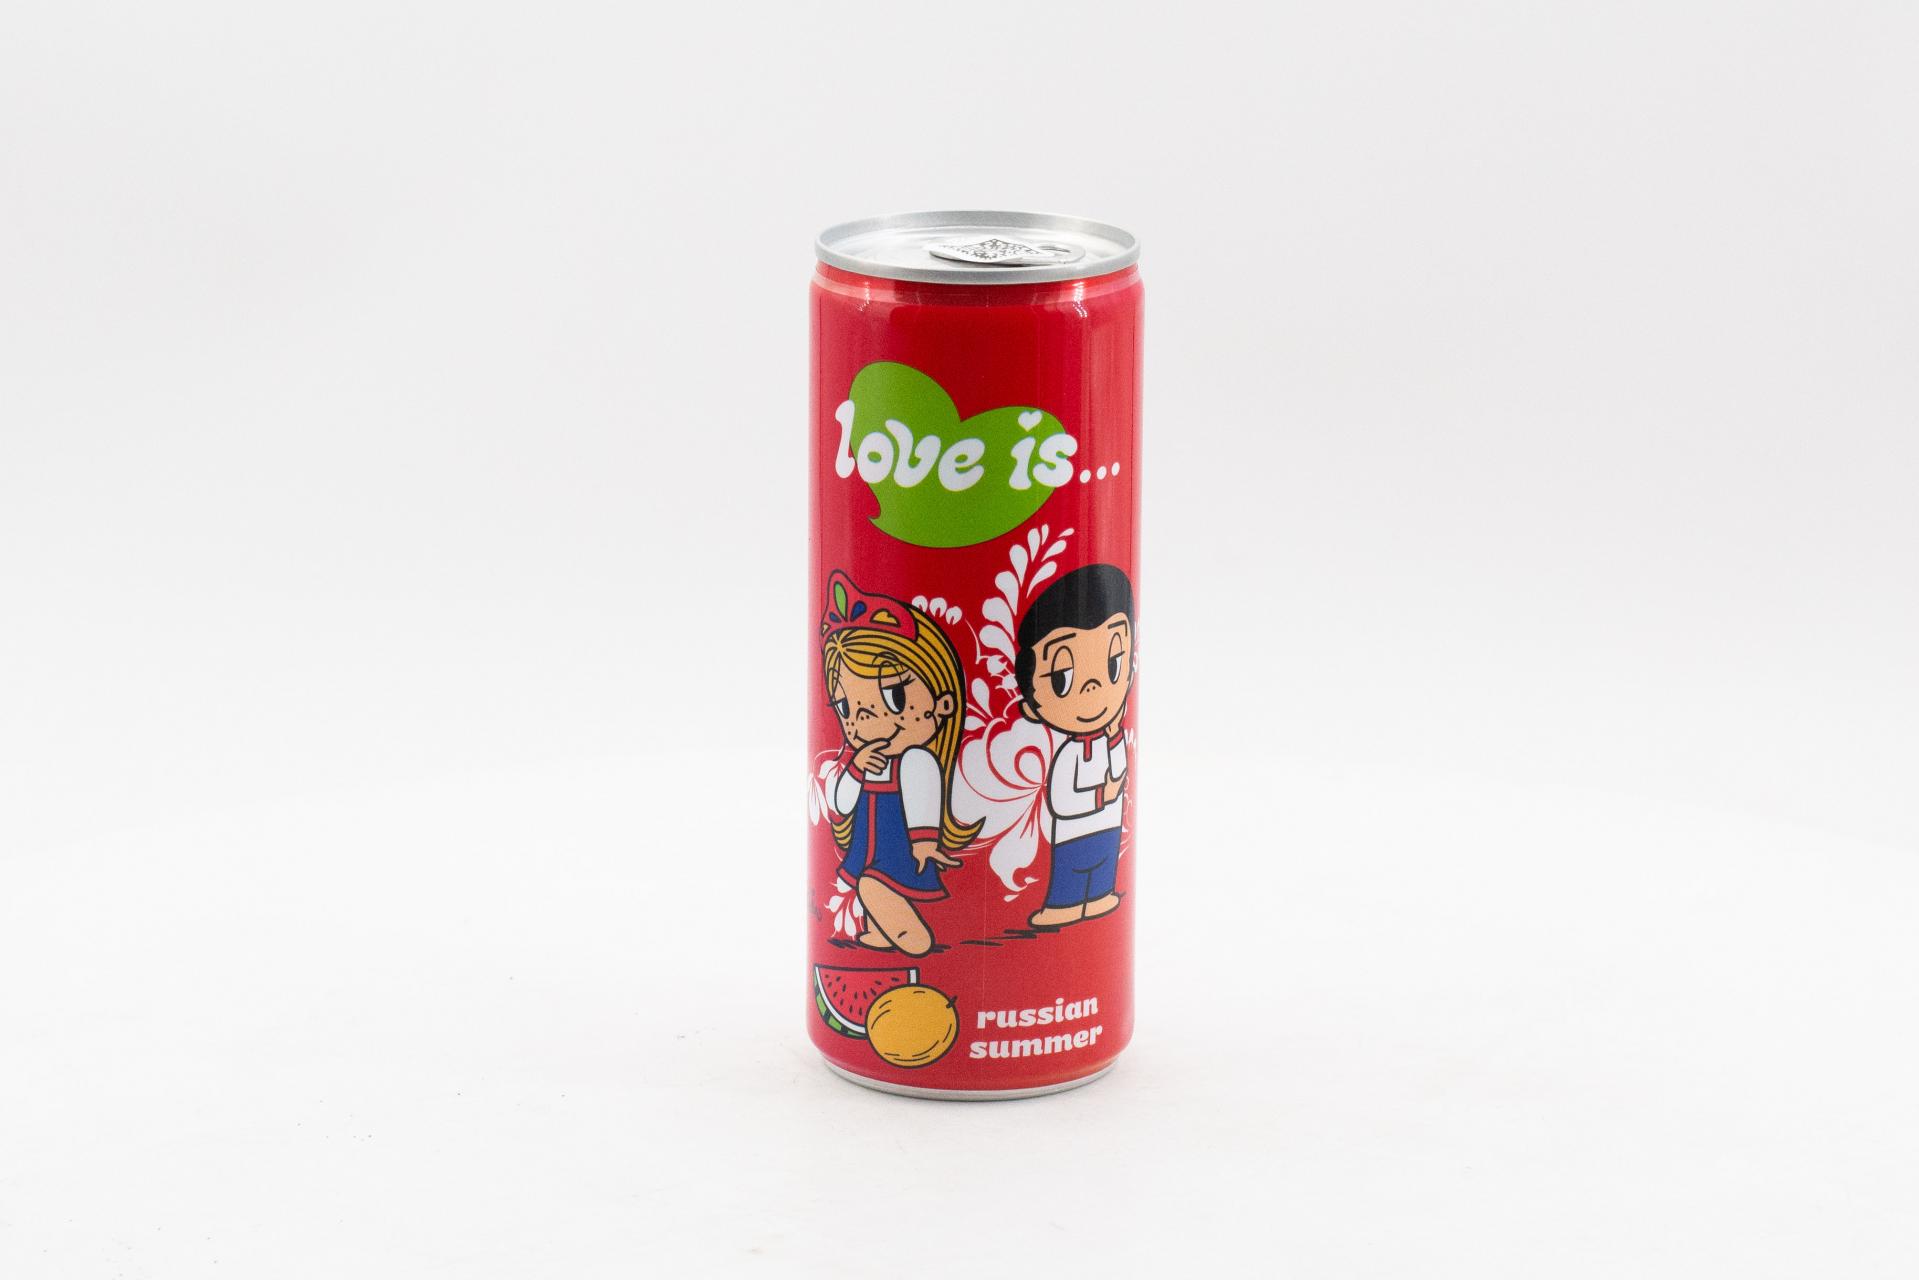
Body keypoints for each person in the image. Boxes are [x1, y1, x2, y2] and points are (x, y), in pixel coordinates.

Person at [820, 572, 982, 955]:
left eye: (894, 696)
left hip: (898, 846)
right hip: (867, 842)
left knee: (873, 884)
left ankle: (911, 935)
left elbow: (924, 799)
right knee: (867, 882)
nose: (864, 717)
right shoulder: (865, 761)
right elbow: (841, 801)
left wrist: (925, 842)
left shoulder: (915, 760)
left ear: (942, 704)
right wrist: (856, 767)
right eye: (846, 706)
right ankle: (881, 931)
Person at [1014, 563, 1136, 929]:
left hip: (1107, 826)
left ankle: (1099, 896)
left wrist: (1114, 738)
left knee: (1103, 869)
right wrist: (1101, 795)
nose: (1093, 688)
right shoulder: (1068, 754)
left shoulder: (1110, 739)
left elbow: (1121, 770)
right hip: (1074, 833)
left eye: (1113, 664)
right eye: (1062, 678)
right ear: (1031, 706)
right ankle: (1062, 905)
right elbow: (1062, 800)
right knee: (1070, 874)